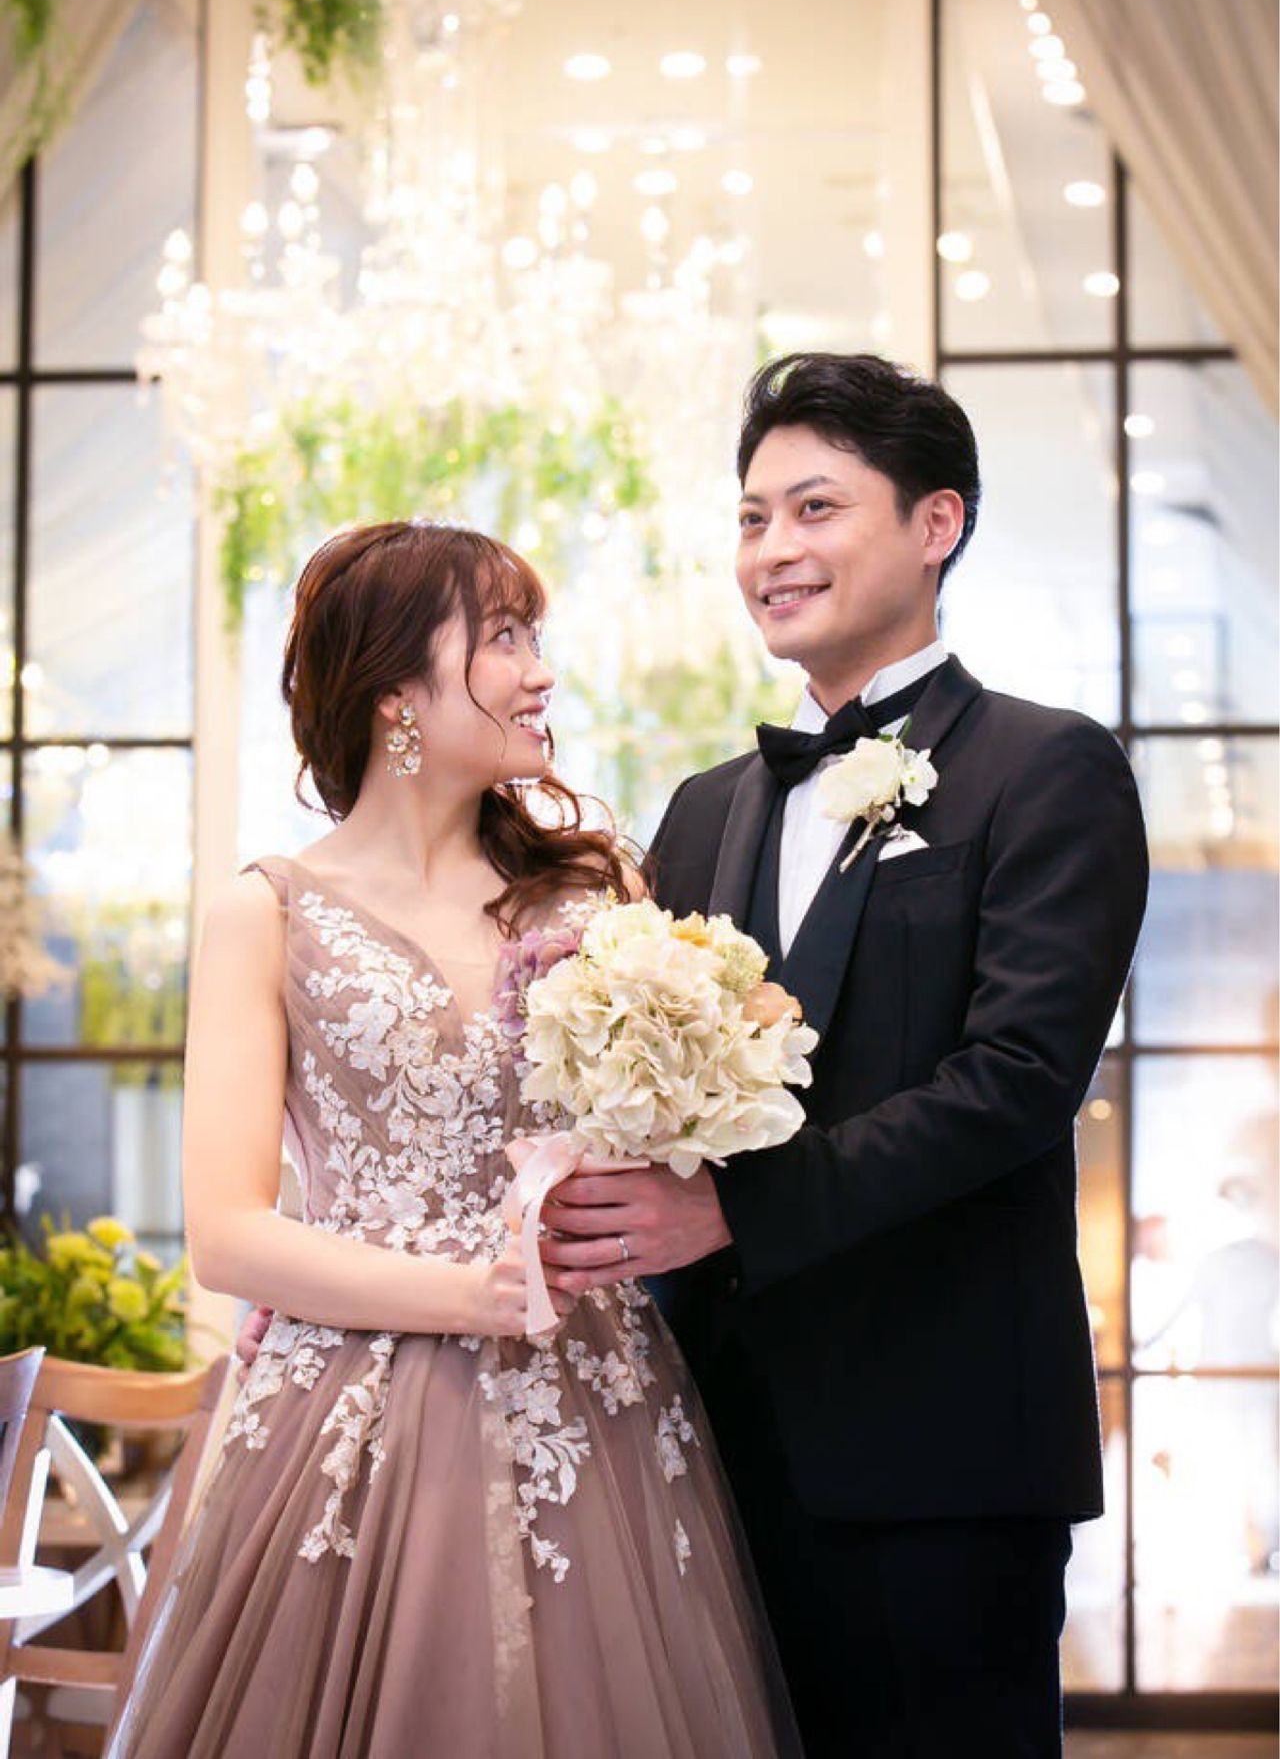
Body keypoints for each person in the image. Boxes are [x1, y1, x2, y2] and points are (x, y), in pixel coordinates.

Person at [540, 352, 1150, 1758]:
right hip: (709, 1435)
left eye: (814, 508)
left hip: (942, 1448)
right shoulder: (703, 809)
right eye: (751, 518)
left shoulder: (1045, 768)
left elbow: (1017, 1080)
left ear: (936, 523)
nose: (771, 550)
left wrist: (730, 1211)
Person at [111, 521, 800, 1759]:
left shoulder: (600, 898)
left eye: (534, 636)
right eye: (505, 637)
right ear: (396, 692)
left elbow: (671, 1149)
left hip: (591, 1400)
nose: (542, 671)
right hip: (349, 1416)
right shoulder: (265, 913)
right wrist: (467, 1295)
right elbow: (226, 1235)